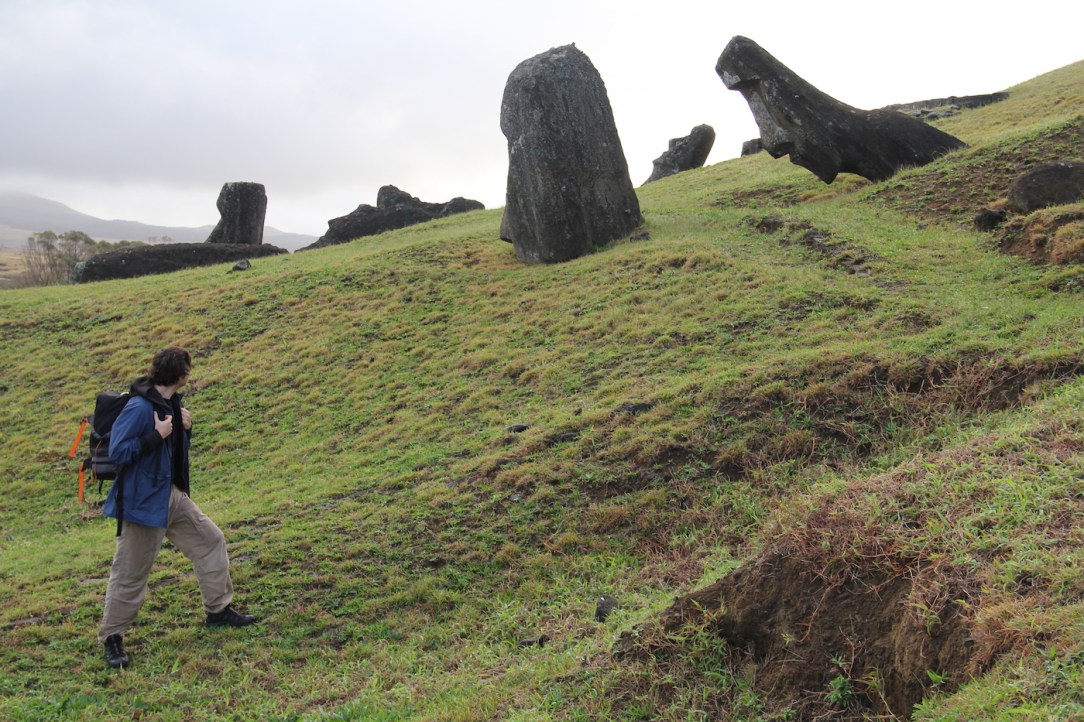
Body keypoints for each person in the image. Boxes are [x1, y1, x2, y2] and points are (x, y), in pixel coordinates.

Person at [98, 346, 256, 669]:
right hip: (142, 505)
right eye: (188, 369)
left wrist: (186, 429)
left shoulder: (171, 403)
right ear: (179, 374)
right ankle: (112, 638)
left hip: (171, 496)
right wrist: (155, 436)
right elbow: (118, 453)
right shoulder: (140, 407)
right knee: (130, 574)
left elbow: (175, 453)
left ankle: (218, 610)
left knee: (210, 540)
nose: (190, 374)